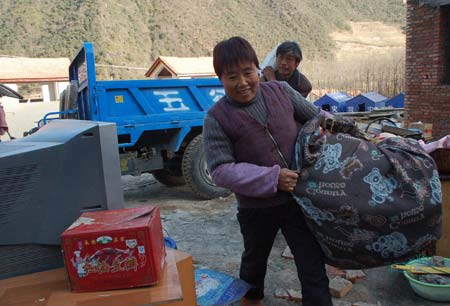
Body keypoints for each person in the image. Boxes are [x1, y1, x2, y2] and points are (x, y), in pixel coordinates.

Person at [203, 36, 333, 306]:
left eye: (248, 73)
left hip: (298, 199)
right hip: (256, 207)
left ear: (258, 69)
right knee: (254, 262)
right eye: (231, 77)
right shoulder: (217, 118)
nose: (242, 83)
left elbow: (316, 117)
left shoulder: (281, 92)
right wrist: (272, 178)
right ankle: (251, 300)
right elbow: (221, 170)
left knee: (311, 263)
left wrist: (350, 131)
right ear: (220, 79)